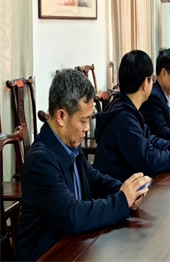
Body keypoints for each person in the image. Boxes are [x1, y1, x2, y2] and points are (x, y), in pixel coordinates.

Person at [17, 69, 151, 261]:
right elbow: (72, 215)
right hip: (49, 255)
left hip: (76, 248)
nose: (88, 128)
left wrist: (126, 190)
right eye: (83, 120)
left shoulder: (69, 143)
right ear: (62, 116)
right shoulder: (41, 160)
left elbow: (93, 178)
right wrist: (121, 200)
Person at [94, 50, 170, 182]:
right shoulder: (123, 118)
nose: (153, 84)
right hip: (117, 192)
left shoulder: (127, 108)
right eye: (152, 79)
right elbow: (148, 160)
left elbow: (149, 139)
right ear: (145, 83)